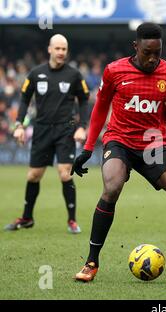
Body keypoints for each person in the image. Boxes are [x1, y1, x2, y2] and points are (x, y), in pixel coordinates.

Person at [71, 22, 166, 282]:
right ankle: (91, 263)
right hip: (120, 141)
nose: (152, 59)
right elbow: (100, 109)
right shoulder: (114, 71)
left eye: (157, 53)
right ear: (135, 46)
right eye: (147, 52)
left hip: (152, 145)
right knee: (112, 187)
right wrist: (87, 147)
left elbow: (162, 111)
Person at [4, 34, 89, 234]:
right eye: (57, 48)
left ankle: (72, 221)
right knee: (34, 175)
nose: (61, 52)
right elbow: (24, 99)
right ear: (49, 49)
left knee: (64, 173)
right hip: (41, 129)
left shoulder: (74, 75)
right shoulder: (35, 73)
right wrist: (19, 125)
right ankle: (26, 218)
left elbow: (84, 100)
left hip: (65, 128)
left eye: (64, 49)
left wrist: (82, 126)